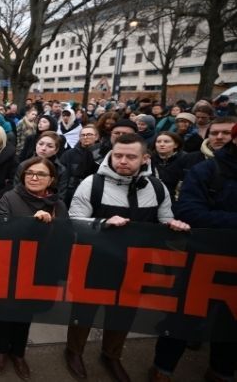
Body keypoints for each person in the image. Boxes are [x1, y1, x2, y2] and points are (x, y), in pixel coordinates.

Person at [65, 133, 190, 382]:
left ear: (144, 158)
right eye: (118, 155)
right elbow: (74, 222)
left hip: (135, 265)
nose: (123, 161)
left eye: (130, 156)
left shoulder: (157, 187)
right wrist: (101, 223)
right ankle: (74, 351)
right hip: (95, 262)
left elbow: (164, 219)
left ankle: (111, 355)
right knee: (84, 309)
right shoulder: (92, 183)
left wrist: (172, 225)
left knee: (124, 312)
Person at [150, 124, 237, 382]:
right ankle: (162, 368)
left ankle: (221, 370)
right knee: (184, 315)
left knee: (231, 319)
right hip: (204, 258)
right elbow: (188, 211)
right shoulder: (208, 170)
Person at [0, 156, 69, 381]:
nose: (34, 177)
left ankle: (18, 353)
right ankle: (0, 350)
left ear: (51, 179)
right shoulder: (10, 198)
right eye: (30, 173)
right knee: (5, 311)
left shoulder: (58, 204)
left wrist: (51, 226)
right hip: (11, 268)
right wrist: (30, 224)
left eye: (41, 174)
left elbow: (66, 238)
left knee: (26, 312)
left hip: (40, 271)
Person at [16, 131, 70, 203]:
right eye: (40, 144)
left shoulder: (61, 170)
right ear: (36, 145)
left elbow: (60, 197)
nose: (43, 148)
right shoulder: (23, 165)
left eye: (50, 146)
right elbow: (16, 190)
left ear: (56, 150)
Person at [59, 124, 101, 207]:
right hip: (72, 193)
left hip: (95, 192)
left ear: (96, 137)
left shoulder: (102, 154)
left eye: (89, 134)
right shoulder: (69, 154)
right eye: (83, 135)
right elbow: (63, 179)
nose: (85, 137)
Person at [150, 131, 184, 197]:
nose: (161, 144)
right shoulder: (149, 159)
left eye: (166, 141)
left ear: (176, 145)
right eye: (158, 142)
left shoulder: (185, 159)